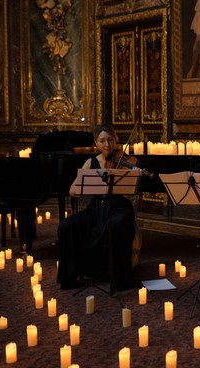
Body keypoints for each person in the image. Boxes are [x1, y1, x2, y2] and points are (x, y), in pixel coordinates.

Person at [57, 124, 139, 291]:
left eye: (110, 140)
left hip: (119, 207)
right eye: (102, 141)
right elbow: (72, 191)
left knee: (115, 224)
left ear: (116, 140)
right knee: (67, 225)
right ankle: (70, 277)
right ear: (96, 143)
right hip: (95, 209)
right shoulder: (90, 162)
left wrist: (134, 175)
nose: (107, 145)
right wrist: (87, 187)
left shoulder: (128, 161)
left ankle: (119, 277)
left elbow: (129, 196)